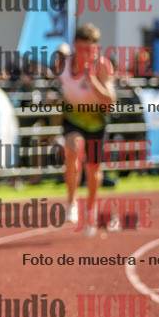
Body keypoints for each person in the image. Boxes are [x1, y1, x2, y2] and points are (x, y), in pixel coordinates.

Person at [58, 23, 116, 234]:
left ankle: (90, 210)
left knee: (93, 170)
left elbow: (110, 101)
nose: (87, 54)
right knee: (72, 150)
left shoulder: (102, 66)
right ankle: (71, 202)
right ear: (75, 46)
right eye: (83, 49)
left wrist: (92, 81)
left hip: (96, 122)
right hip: (73, 118)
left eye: (91, 49)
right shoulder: (64, 64)